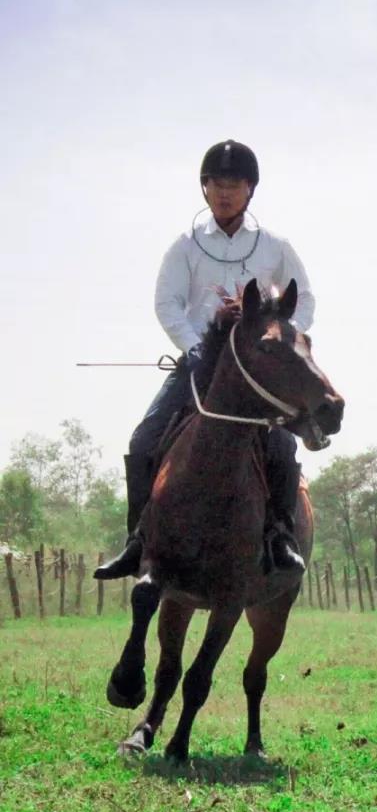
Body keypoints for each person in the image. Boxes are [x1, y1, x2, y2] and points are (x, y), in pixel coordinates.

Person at [95, 140, 312, 580]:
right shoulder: (186, 246)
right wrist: (197, 348)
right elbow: (167, 303)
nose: (225, 192)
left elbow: (303, 299)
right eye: (217, 183)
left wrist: (283, 343)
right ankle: (138, 542)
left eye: (235, 184)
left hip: (254, 373)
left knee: (283, 445)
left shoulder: (275, 246)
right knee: (143, 440)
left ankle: (280, 535)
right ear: (204, 188)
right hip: (199, 365)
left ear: (250, 190)